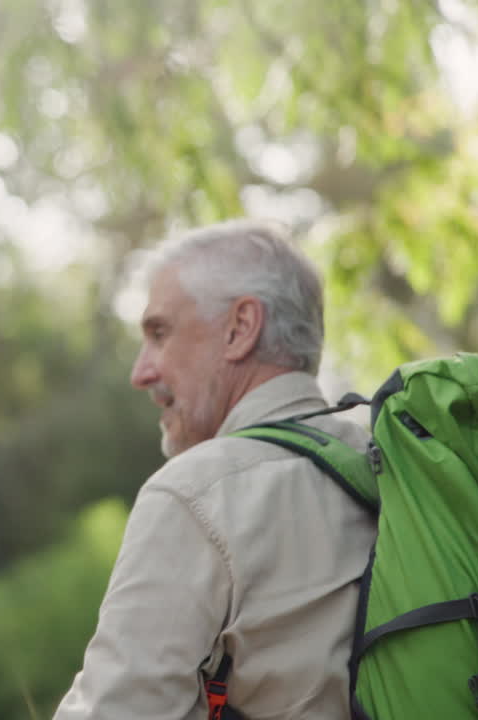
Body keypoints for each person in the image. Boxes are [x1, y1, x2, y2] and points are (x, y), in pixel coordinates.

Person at [54, 219, 377, 719]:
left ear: (240, 328)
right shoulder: (386, 463)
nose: (141, 373)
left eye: (160, 333)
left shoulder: (198, 493)